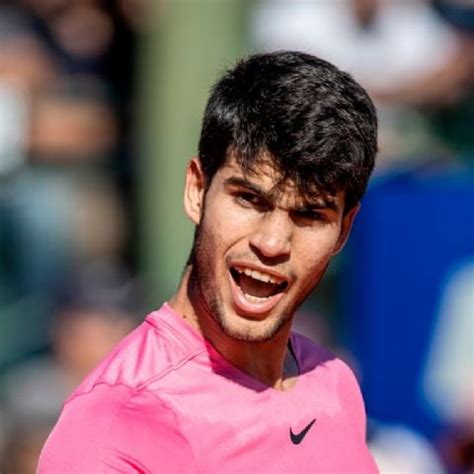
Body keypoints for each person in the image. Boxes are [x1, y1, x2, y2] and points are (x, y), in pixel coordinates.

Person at [37, 51, 379, 472]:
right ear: (197, 190)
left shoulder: (334, 383)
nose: (272, 243)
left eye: (309, 215)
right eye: (249, 199)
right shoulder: (114, 423)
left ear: (344, 230)